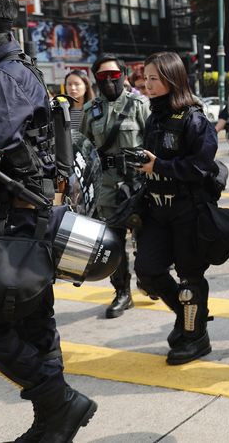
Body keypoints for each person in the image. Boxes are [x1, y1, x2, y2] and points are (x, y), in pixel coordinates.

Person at [0, 0, 97, 440]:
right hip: (18, 222)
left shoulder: (7, 76)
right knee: (36, 329)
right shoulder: (9, 69)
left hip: (18, 227)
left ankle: (60, 404)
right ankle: (53, 422)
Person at [132, 52, 219, 365]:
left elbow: (202, 166)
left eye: (154, 78)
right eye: (146, 77)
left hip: (188, 211)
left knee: (189, 278)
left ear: (172, 78)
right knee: (147, 270)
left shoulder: (194, 118)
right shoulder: (154, 116)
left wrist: (161, 166)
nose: (148, 84)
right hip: (156, 209)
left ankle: (196, 337)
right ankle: (187, 319)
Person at [81, 56, 150, 319]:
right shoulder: (90, 110)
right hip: (107, 188)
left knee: (145, 239)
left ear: (123, 74)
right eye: (102, 76)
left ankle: (148, 279)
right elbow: (83, 149)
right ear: (95, 79)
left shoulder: (139, 105)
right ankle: (122, 293)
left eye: (114, 75)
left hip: (137, 183)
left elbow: (152, 141)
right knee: (113, 243)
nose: (109, 81)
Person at [63, 69, 94, 134]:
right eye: (69, 84)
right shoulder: (62, 110)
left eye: (77, 84)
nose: (73, 88)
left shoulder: (94, 109)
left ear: (86, 86)